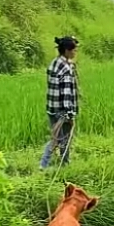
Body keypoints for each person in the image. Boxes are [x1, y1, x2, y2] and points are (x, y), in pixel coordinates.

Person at [40, 36, 80, 169]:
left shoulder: (54, 63)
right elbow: (67, 93)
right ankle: (44, 164)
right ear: (68, 51)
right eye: (74, 50)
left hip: (52, 106)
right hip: (62, 109)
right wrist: (69, 114)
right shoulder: (66, 68)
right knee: (59, 139)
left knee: (59, 138)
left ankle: (64, 164)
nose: (76, 52)